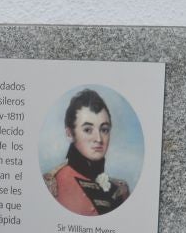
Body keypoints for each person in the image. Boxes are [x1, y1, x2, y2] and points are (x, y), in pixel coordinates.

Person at [44, 88, 131, 216]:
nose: (99, 139)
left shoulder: (120, 190)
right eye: (88, 130)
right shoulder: (53, 185)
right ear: (70, 134)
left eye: (104, 129)